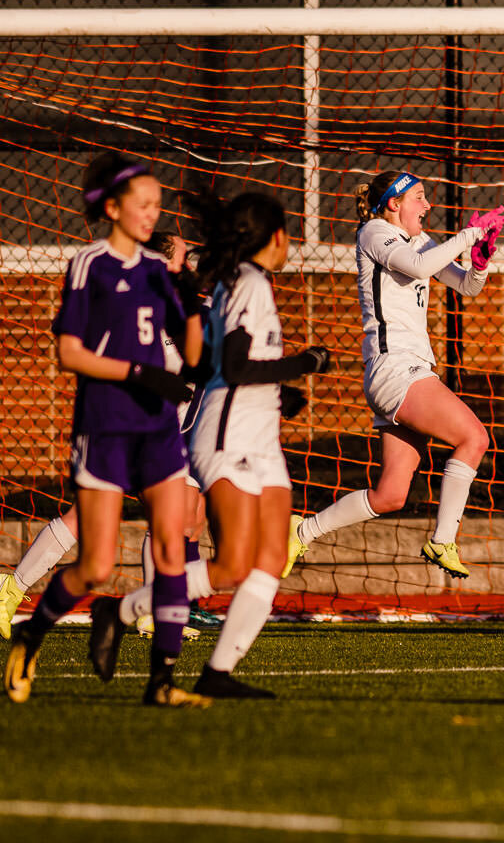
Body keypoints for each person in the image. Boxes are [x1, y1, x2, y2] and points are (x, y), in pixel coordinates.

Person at [89, 188, 330, 699]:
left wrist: (279, 391)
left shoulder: (243, 282)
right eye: (287, 233)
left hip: (260, 434)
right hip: (230, 435)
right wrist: (305, 365)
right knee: (232, 565)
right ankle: (124, 608)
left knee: (269, 558)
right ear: (273, 238)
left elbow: (219, 363)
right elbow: (239, 368)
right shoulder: (248, 284)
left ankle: (217, 673)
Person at [6, 152, 204, 707]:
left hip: (160, 431)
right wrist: (136, 371)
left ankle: (162, 682)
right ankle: (30, 632)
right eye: (143, 205)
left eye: (156, 206)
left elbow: (190, 355)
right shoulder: (89, 265)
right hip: (107, 427)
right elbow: (70, 352)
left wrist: (190, 303)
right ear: (114, 208)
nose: (151, 214)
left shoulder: (155, 273)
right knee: (95, 564)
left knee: (170, 548)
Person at [285, 171, 504, 580]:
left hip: (403, 371)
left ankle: (302, 530)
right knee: (474, 438)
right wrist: (468, 234)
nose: (427, 206)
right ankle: (442, 541)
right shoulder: (373, 231)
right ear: (393, 203)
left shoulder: (419, 240)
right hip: (396, 369)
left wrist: (479, 262)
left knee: (389, 495)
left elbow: (467, 288)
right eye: (420, 198)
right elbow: (419, 265)